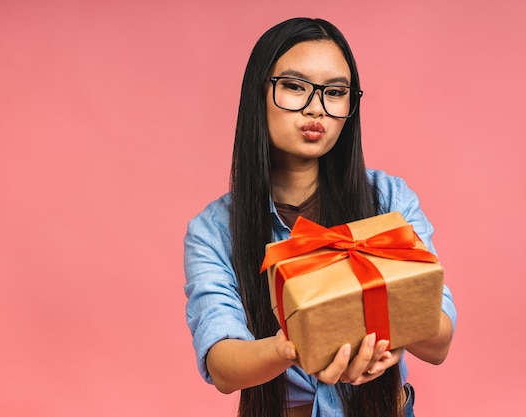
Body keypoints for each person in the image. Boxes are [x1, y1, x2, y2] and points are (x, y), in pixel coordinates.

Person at [184, 17, 457, 417]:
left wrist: (392, 331)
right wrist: (296, 344)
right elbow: (222, 364)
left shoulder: (389, 200)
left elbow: (439, 342)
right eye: (294, 86)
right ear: (259, 92)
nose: (317, 107)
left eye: (335, 92)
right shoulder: (214, 230)